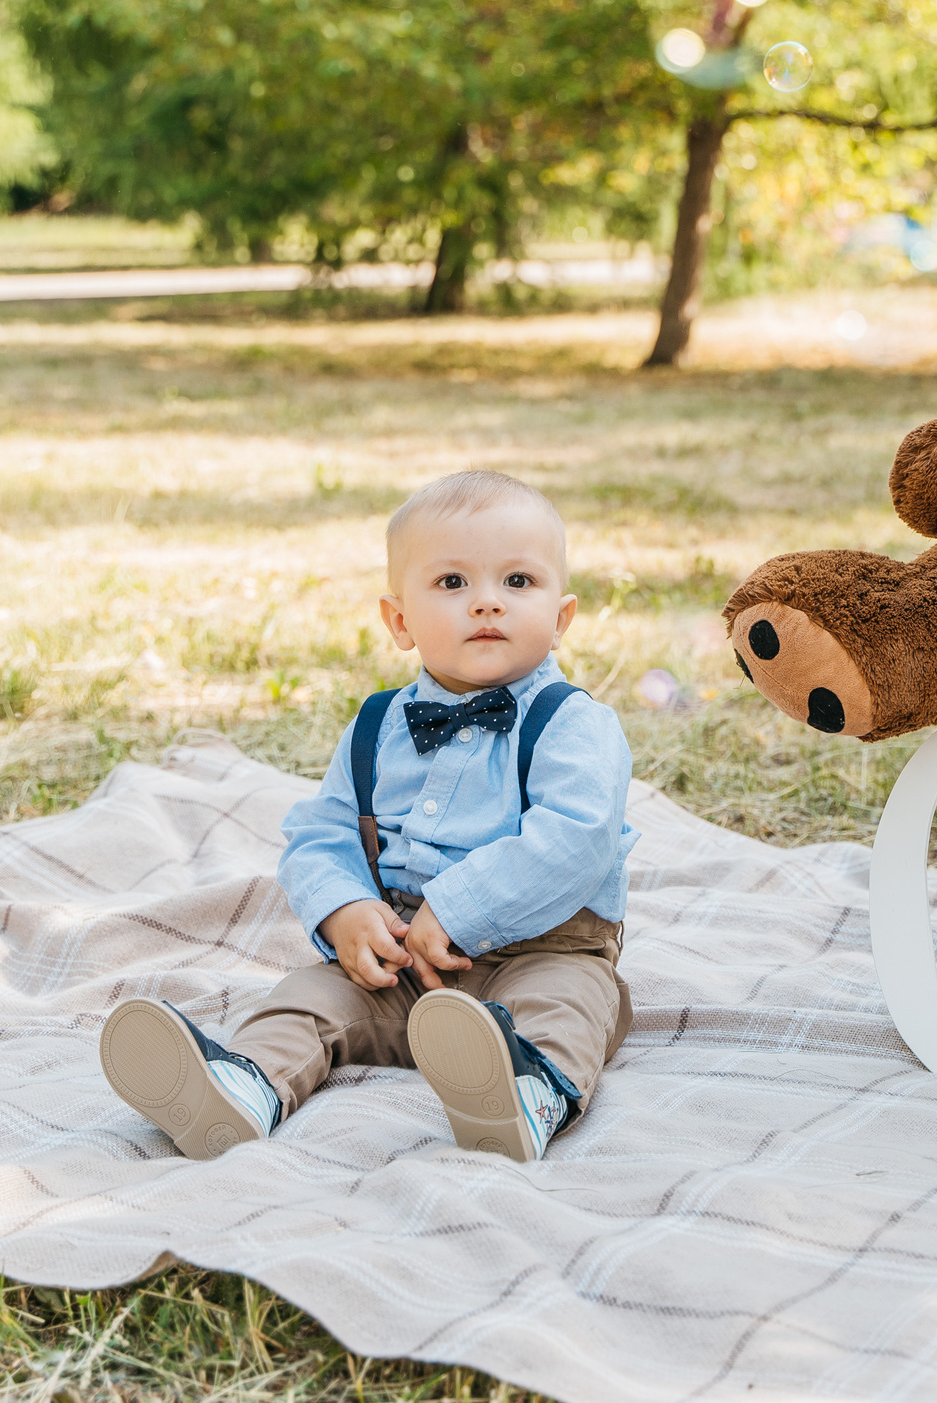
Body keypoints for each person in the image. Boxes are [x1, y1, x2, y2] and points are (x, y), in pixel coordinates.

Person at [99, 470, 637, 1163]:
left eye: (518, 582)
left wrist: (462, 907)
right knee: (307, 998)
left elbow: (578, 836)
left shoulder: (574, 723)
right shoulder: (377, 724)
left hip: (543, 951)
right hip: (399, 961)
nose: (486, 605)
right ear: (400, 621)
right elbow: (321, 832)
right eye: (452, 583)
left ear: (561, 617)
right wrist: (347, 910)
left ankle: (523, 1090)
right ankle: (243, 1086)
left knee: (568, 1008)